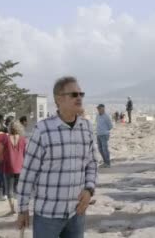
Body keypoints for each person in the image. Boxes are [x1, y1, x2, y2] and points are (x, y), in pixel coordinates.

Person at [17, 76, 98, 237]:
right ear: (59, 99)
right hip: (48, 216)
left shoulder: (87, 128)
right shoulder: (43, 130)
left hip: (76, 214)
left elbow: (92, 164)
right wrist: (22, 208)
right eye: (74, 94)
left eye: (81, 94)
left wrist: (89, 190)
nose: (79, 98)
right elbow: (28, 173)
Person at [0, 121, 26, 215]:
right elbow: (26, 155)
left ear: (9, 128)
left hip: (8, 167)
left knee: (9, 189)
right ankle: (21, 208)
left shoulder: (5, 138)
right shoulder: (23, 139)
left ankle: (12, 210)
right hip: (21, 167)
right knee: (20, 189)